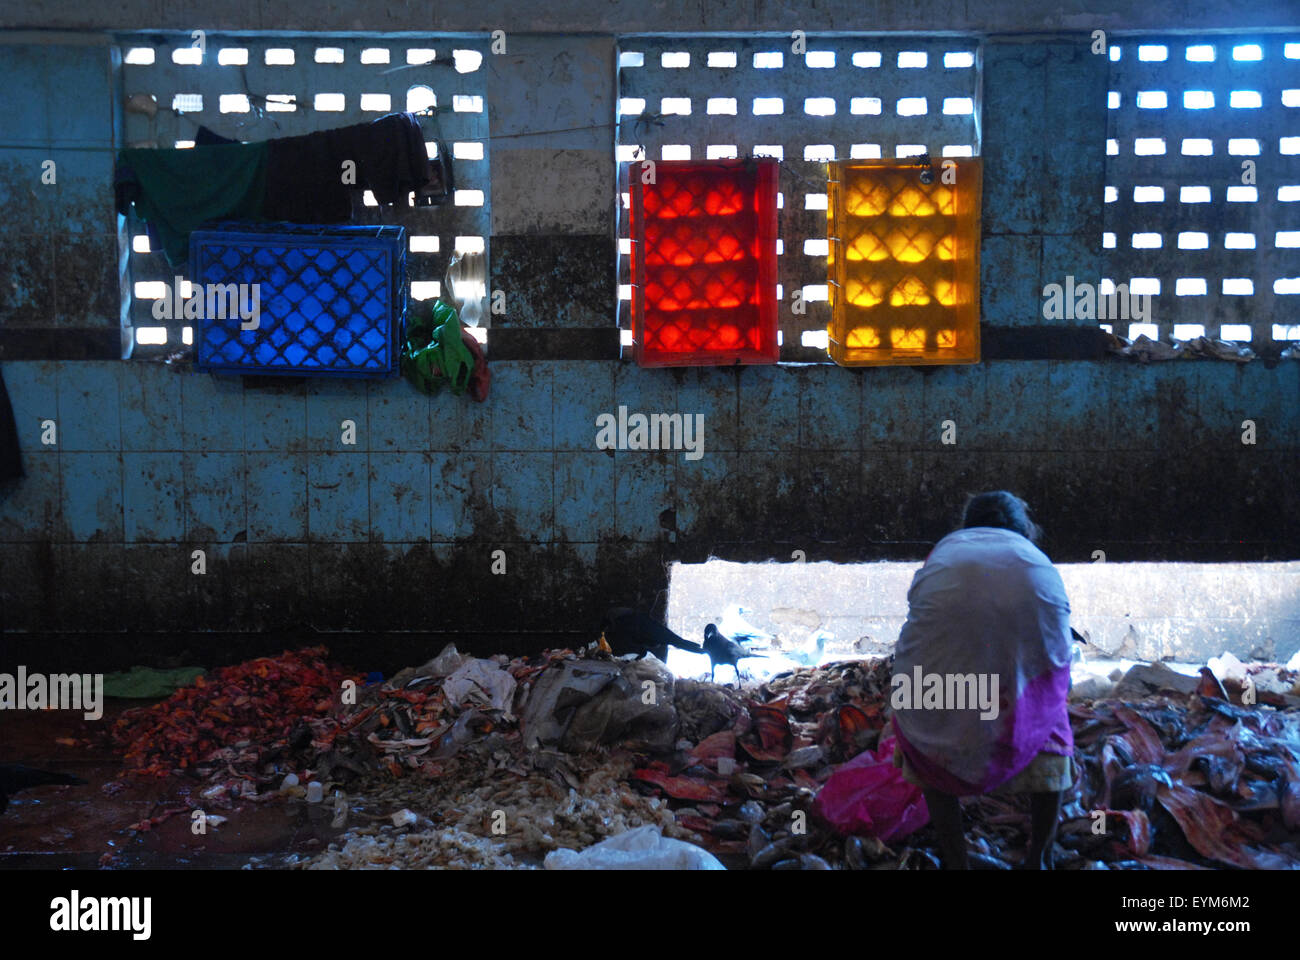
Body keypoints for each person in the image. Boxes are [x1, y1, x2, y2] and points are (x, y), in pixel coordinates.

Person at [890, 490, 1074, 869]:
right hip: (1010, 698)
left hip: (938, 694)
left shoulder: (944, 552)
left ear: (968, 524)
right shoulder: (1036, 561)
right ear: (1023, 527)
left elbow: (924, 636)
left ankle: (956, 862)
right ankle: (1040, 857)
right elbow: (1056, 652)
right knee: (1052, 721)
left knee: (929, 741)